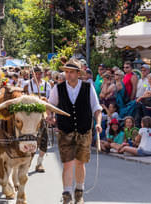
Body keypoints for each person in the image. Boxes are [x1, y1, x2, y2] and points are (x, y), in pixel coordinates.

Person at [48, 58, 102, 204]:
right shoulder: (58, 88)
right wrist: (50, 116)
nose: (68, 74)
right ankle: (66, 194)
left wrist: (98, 123)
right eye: (66, 72)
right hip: (65, 132)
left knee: (80, 163)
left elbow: (96, 108)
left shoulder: (87, 87)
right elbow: (50, 105)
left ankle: (79, 192)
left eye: (71, 72)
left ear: (78, 73)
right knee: (67, 163)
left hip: (84, 131)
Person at [25, 66, 51, 173]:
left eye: (40, 73)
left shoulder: (47, 85)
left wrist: (49, 114)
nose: (38, 75)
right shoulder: (27, 85)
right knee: (29, 138)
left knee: (44, 138)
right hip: (31, 116)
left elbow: (50, 101)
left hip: (43, 115)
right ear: (33, 74)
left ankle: (39, 163)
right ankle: (27, 161)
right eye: (36, 73)